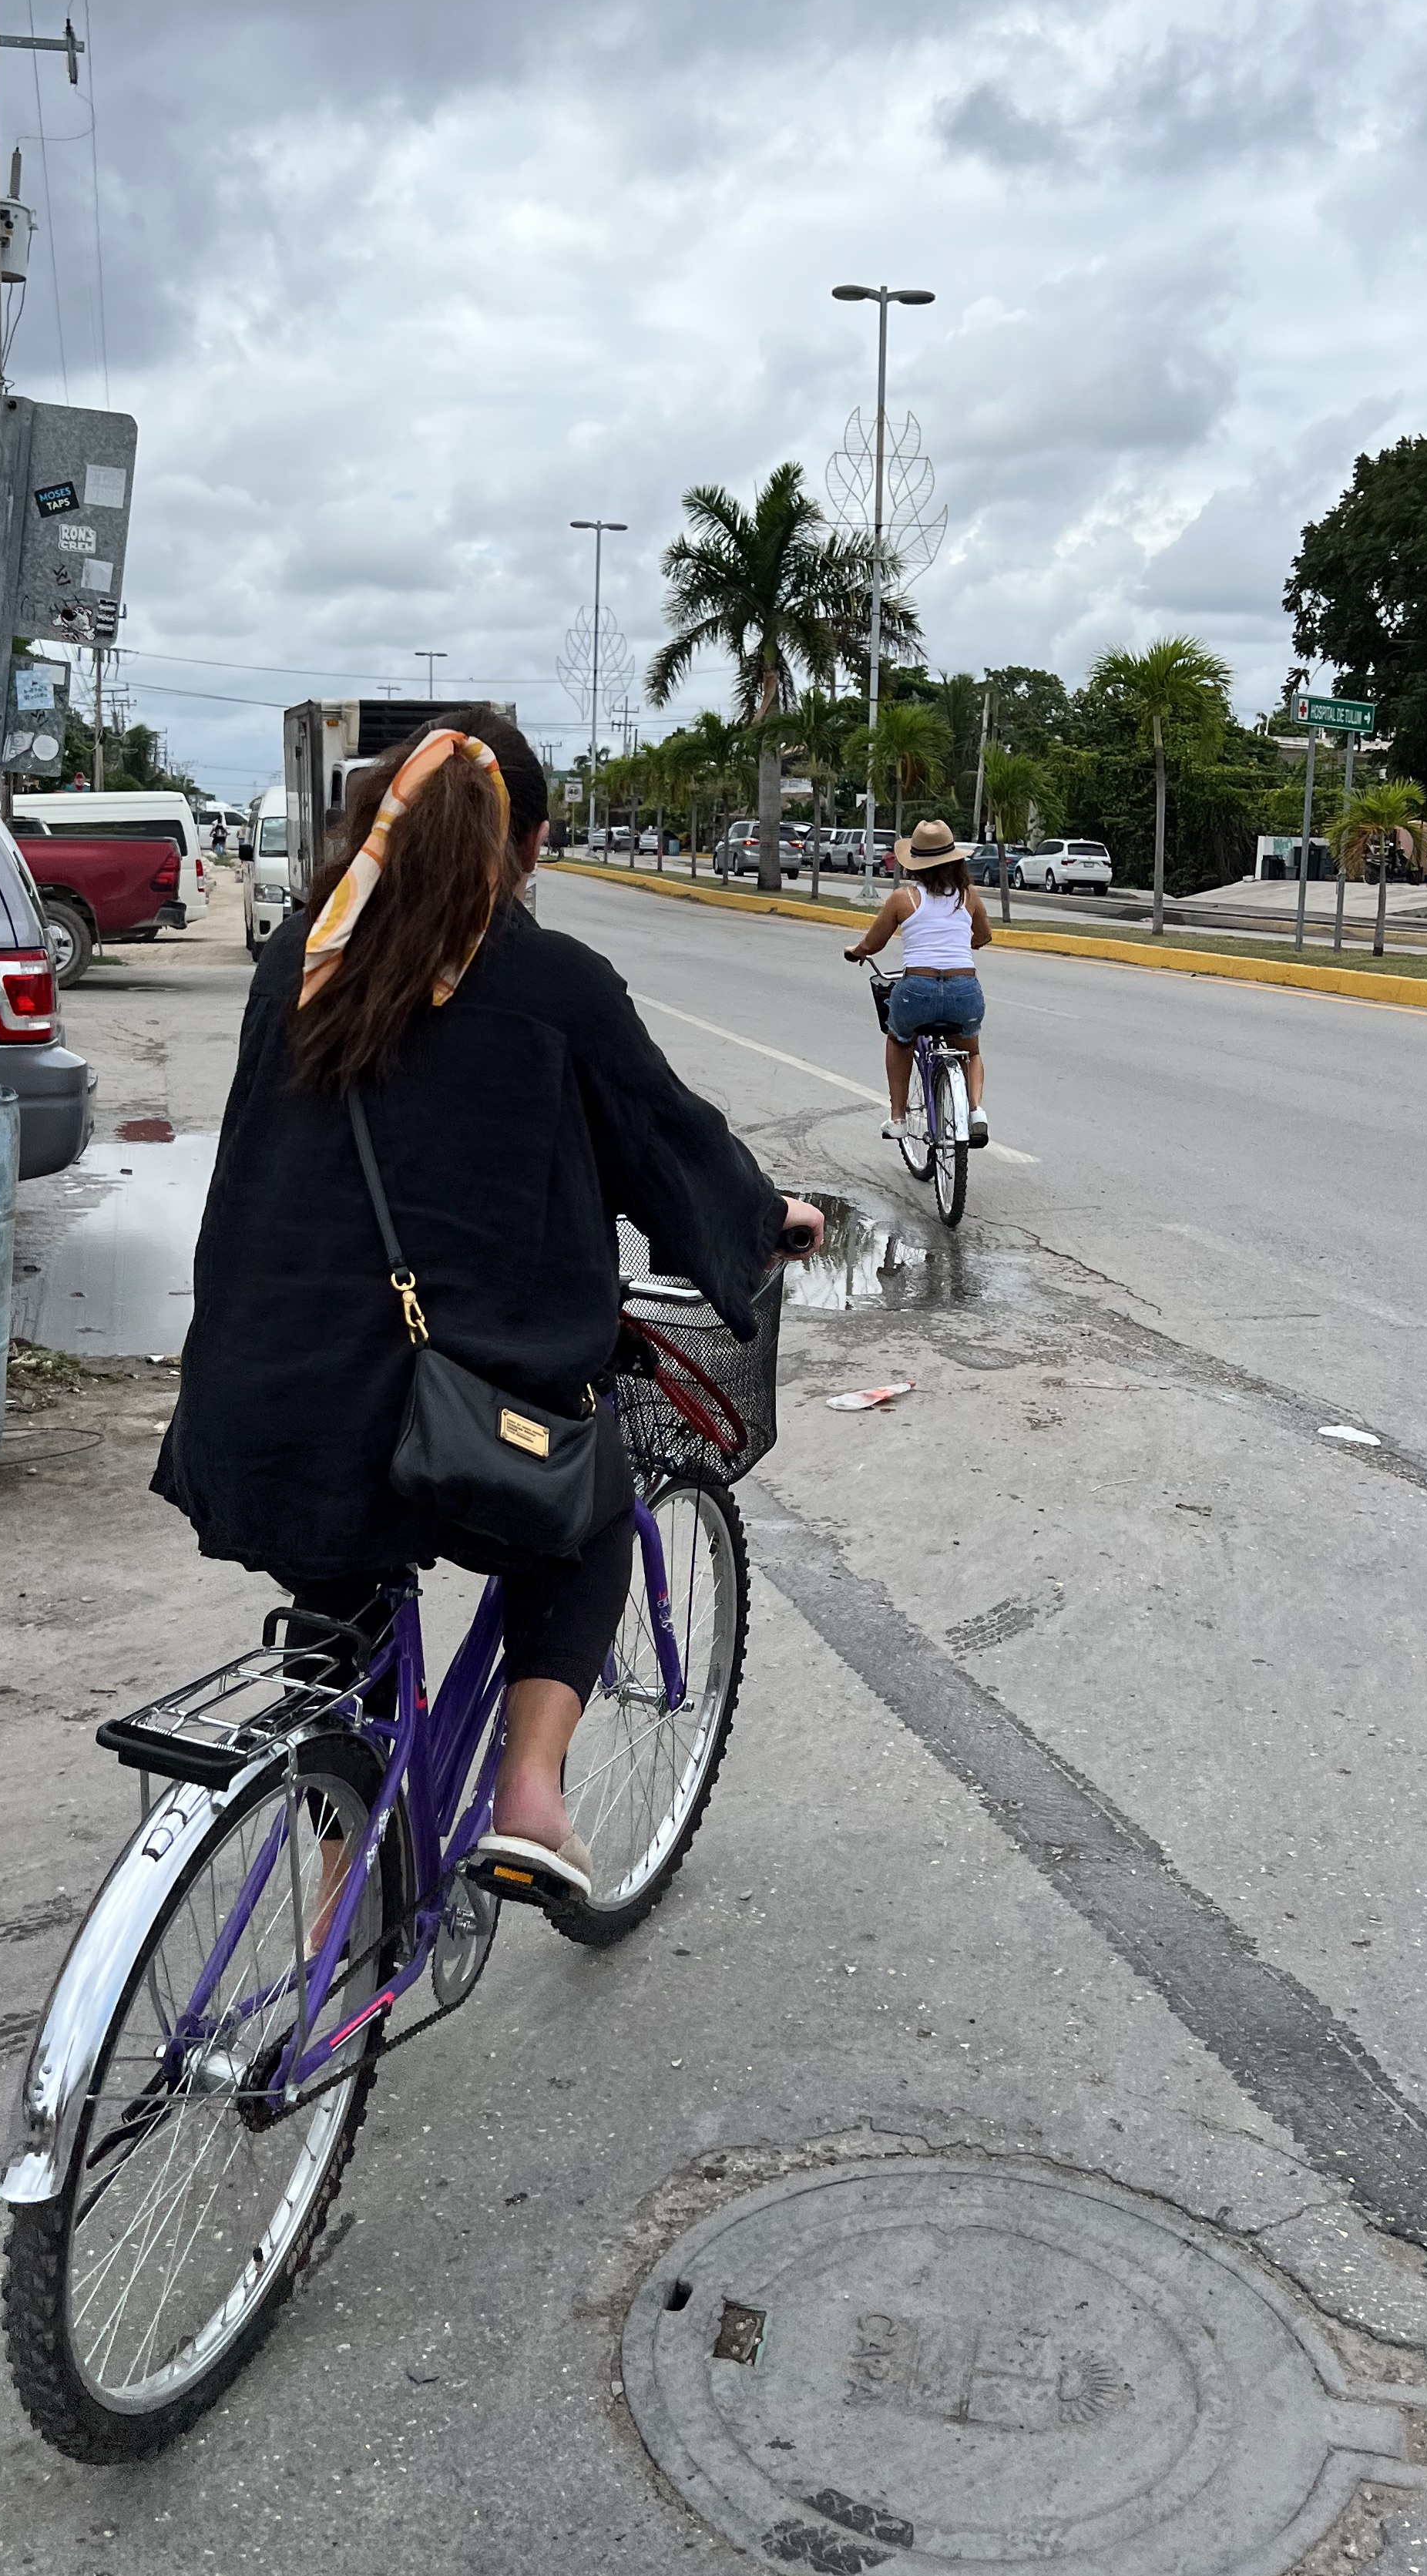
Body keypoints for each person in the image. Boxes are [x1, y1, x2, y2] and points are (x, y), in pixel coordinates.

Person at [153, 710, 821, 1902]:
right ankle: (531, 1798)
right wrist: (765, 1220)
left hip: (262, 1386)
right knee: (588, 1508)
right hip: (455, 1397)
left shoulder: (303, 953)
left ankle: (343, 1893)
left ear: (377, 828)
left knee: (341, 1593)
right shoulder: (556, 984)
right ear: (531, 845)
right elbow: (668, 1145)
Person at [843, 815, 994, 1147]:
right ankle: (976, 1111)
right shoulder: (968, 895)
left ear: (915, 865)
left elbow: (873, 944)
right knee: (971, 1050)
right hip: (964, 990)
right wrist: (961, 942)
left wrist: (857, 952)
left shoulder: (904, 898)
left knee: (899, 1040)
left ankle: (898, 1118)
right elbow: (983, 936)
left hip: (917, 991)